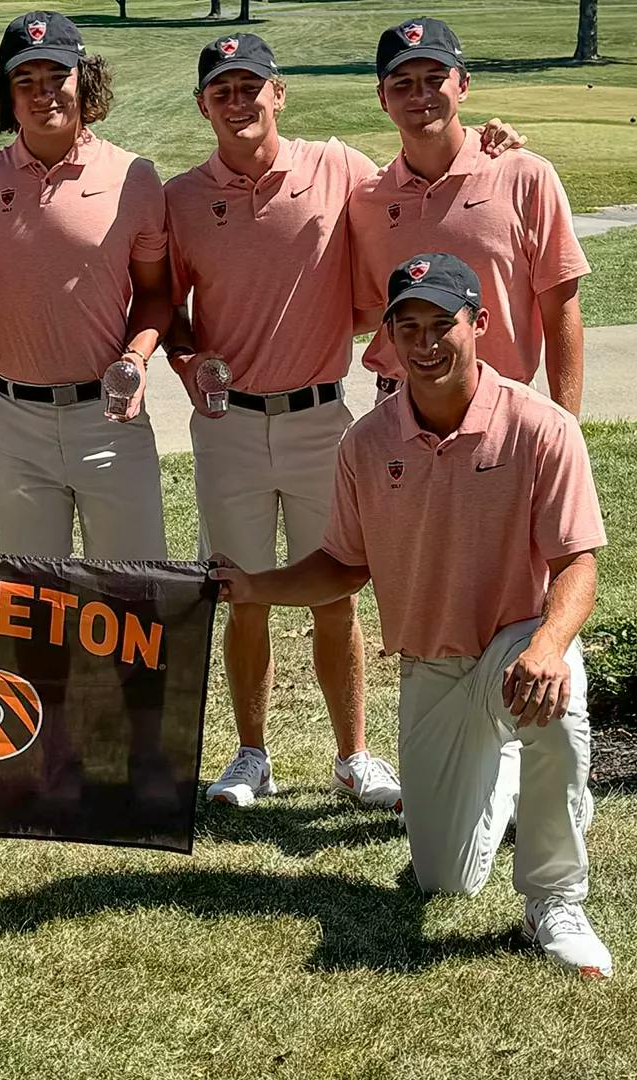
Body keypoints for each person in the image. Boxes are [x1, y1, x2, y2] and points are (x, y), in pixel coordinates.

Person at [210, 254, 612, 979]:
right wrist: (254, 587)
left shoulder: (541, 427)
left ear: (478, 324)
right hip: (432, 665)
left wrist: (551, 644)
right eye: (407, 328)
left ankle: (554, 901)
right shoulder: (366, 443)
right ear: (388, 338)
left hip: (516, 643)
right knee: (444, 880)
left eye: (440, 325)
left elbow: (578, 563)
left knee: (558, 702)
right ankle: (504, 771)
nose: (424, 344)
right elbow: (344, 565)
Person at [162, 32, 398, 812]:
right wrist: (185, 360)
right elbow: (167, 308)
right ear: (203, 105)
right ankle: (251, 755)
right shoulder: (182, 199)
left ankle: (353, 757)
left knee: (335, 592)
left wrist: (494, 151)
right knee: (242, 592)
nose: (239, 102)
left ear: (279, 93)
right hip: (227, 423)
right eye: (222, 92)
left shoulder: (338, 167)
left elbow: (413, 196)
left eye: (251, 87)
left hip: (320, 418)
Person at [0, 10, 172, 561]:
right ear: (6, 94)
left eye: (58, 76)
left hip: (110, 415)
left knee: (133, 587)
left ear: (85, 80)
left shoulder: (133, 177)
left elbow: (156, 294)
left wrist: (136, 357)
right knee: (31, 594)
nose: (43, 93)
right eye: (25, 80)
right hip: (15, 421)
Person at [348, 18, 591, 414]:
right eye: (402, 83)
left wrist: (565, 423)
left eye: (434, 79)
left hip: (502, 404)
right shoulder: (367, 201)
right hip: (397, 407)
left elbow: (561, 308)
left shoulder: (525, 177)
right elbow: (367, 312)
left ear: (462, 85)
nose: (419, 95)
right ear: (382, 97)